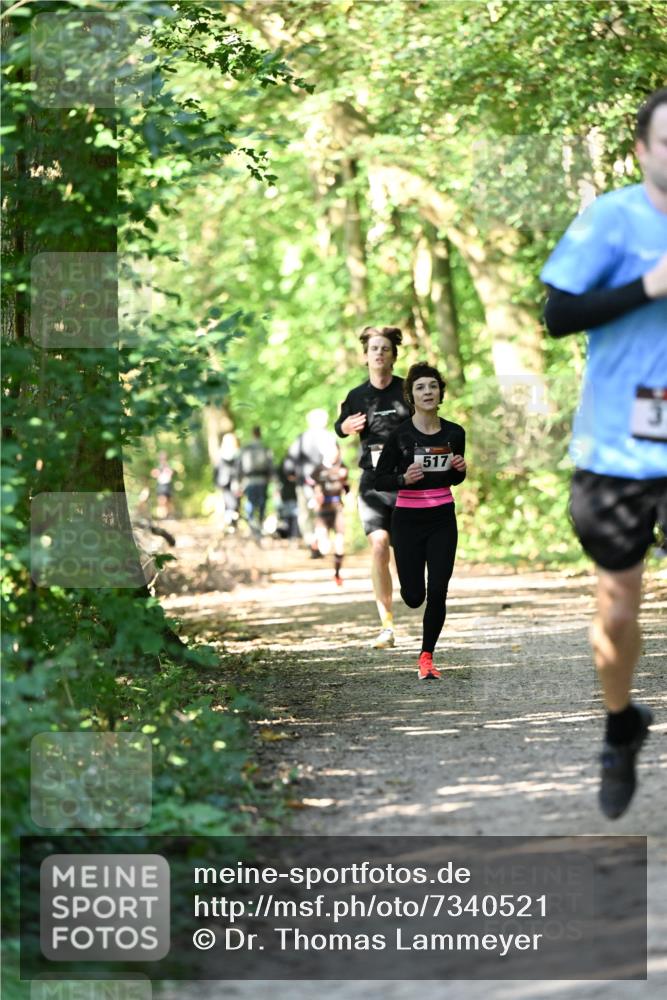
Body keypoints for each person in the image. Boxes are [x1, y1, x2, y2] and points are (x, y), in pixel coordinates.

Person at [541, 87, 667, 819]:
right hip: (617, 449)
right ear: (642, 151)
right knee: (617, 610)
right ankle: (620, 724)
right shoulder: (609, 219)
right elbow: (558, 315)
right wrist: (648, 285)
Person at [374, 363, 466, 679]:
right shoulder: (399, 436)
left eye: (432, 386)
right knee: (414, 597)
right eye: (420, 387)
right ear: (411, 395)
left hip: (442, 518)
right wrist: (403, 477)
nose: (427, 392)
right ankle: (409, 584)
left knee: (438, 590)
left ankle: (426, 657)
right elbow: (379, 479)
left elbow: (455, 479)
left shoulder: (455, 433)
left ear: (440, 392)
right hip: (408, 520)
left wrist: (459, 468)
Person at [335, 326, 411, 648]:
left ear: (393, 356)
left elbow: (432, 423)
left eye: (384, 349)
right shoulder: (357, 396)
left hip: (408, 479)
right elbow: (339, 426)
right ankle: (387, 625)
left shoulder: (407, 390)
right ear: (365, 356)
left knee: (406, 551)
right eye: (373, 349)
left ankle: (411, 589)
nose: (379, 353)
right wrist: (345, 426)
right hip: (372, 481)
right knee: (379, 545)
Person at [285, 409, 338, 558]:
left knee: (306, 514)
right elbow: (337, 460)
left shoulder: (302, 439)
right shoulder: (330, 437)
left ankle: (312, 541)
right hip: (326, 484)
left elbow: (290, 459)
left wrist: (290, 473)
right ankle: (321, 540)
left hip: (305, 483)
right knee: (323, 513)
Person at [312, 443, 350, 585]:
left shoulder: (342, 467)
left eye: (335, 451)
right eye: (330, 451)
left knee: (340, 544)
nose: (333, 454)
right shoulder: (318, 469)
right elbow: (310, 485)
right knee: (325, 546)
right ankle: (316, 542)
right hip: (322, 510)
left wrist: (344, 481)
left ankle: (337, 573)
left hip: (337, 509)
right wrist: (316, 496)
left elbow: (347, 488)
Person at [238, 426, 273, 532]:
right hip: (262, 480)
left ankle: (252, 523)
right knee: (261, 502)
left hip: (250, 480)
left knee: (251, 501)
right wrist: (272, 478)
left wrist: (239, 480)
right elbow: (270, 465)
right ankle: (259, 522)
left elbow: (239, 465)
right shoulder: (265, 447)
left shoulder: (247, 448)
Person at [215, 432, 240, 532]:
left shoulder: (237, 454)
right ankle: (230, 523)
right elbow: (217, 469)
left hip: (233, 482)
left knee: (234, 503)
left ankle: (233, 523)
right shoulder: (222, 454)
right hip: (226, 482)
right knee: (230, 503)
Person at [151, 450, 175, 519]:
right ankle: (163, 516)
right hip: (161, 484)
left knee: (169, 501)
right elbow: (153, 474)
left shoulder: (169, 464)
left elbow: (171, 473)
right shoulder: (158, 466)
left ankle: (169, 515)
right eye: (161, 457)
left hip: (167, 483)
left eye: (164, 457)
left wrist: (169, 471)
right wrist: (156, 473)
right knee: (161, 500)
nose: (163, 458)